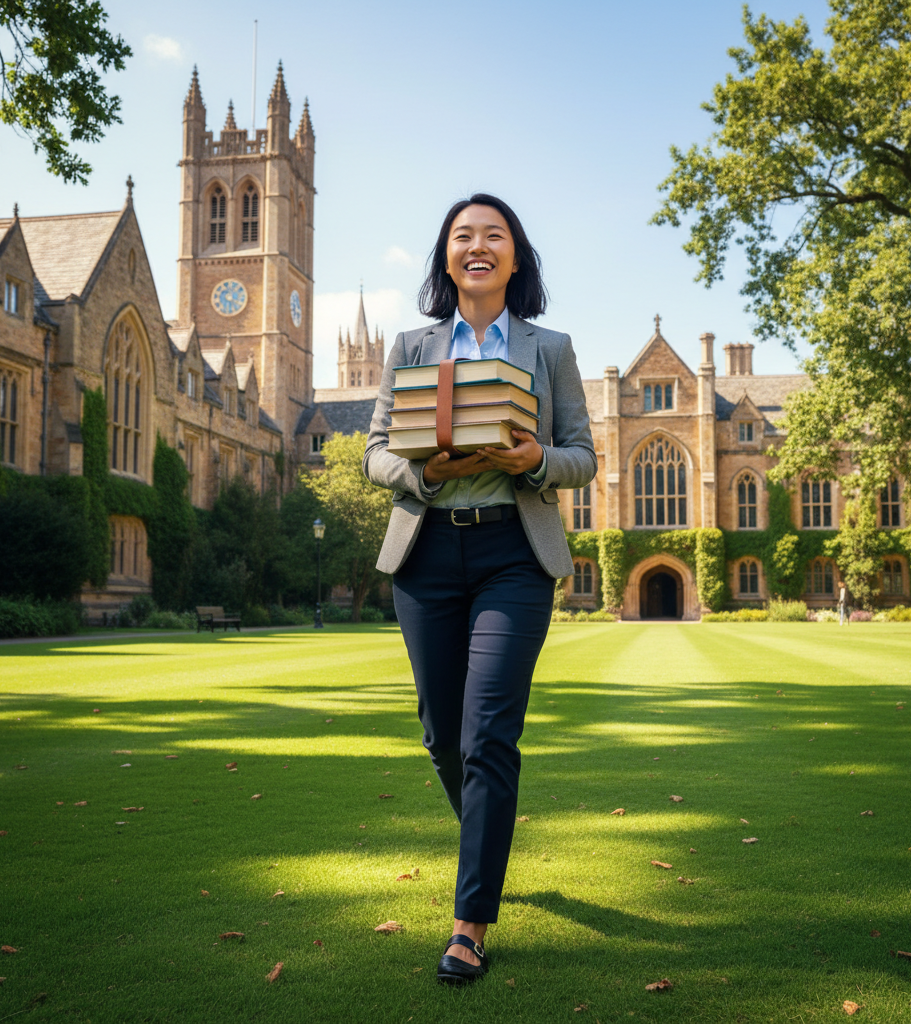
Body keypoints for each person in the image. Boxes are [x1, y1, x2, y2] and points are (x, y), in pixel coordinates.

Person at [363, 194, 597, 985]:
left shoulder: (551, 348)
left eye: (493, 236)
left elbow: (584, 457)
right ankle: (488, 842)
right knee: (440, 735)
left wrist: (533, 458)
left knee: (487, 733)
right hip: (426, 553)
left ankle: (469, 925)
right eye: (463, 236)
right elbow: (373, 454)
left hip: (512, 556)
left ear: (516, 257)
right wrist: (427, 469)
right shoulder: (409, 344)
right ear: (447, 257)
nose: (478, 247)